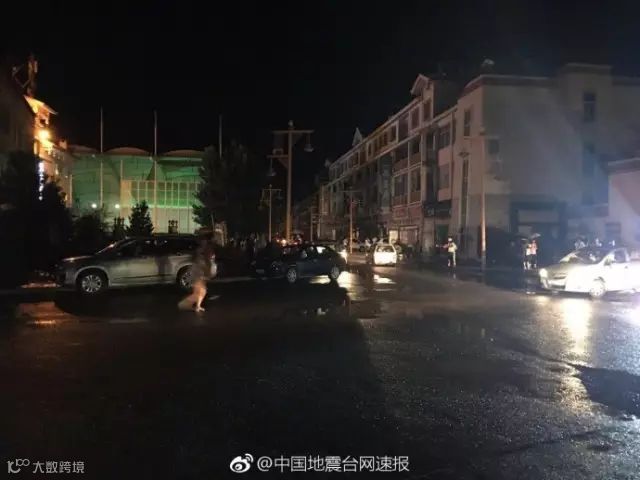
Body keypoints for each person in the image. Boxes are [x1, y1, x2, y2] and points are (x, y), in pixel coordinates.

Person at [178, 234, 214, 312]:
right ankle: (183, 304)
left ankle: (197, 306)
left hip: (199, 271)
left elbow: (203, 261)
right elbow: (204, 262)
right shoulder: (202, 250)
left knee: (201, 291)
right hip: (198, 272)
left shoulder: (201, 250)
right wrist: (207, 272)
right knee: (201, 291)